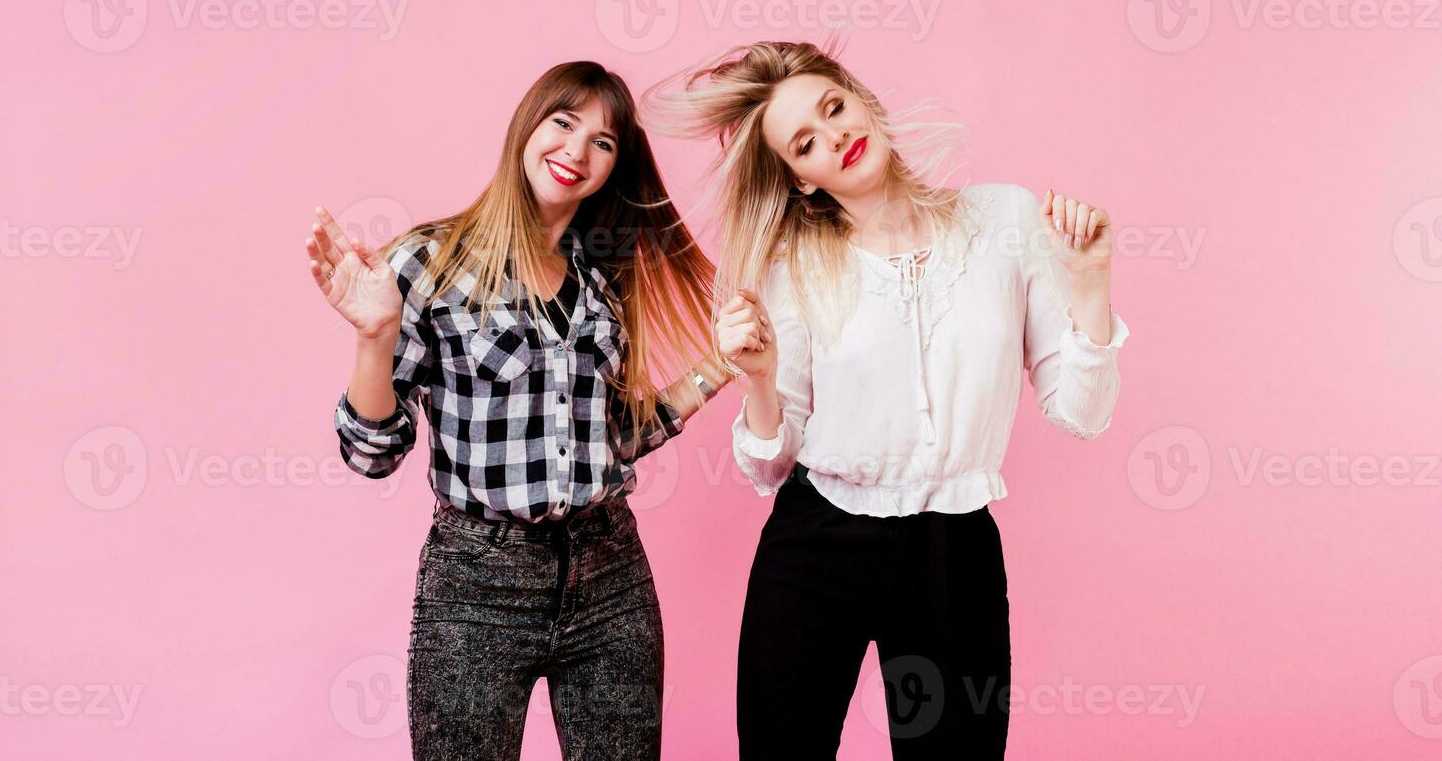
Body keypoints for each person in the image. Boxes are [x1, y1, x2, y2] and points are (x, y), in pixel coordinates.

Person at [645, 39, 1132, 759]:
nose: (834, 137)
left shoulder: (1004, 220)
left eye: (834, 108)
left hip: (953, 548)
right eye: (804, 143)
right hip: (817, 542)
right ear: (800, 180)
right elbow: (767, 467)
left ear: (863, 102)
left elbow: (1082, 412)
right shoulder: (792, 265)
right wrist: (757, 376)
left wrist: (1090, 283)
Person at [306, 61, 731, 761]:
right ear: (526, 127)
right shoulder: (428, 262)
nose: (577, 151)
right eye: (564, 123)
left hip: (610, 575)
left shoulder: (601, 278)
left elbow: (608, 440)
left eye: (603, 141)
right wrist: (374, 338)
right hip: (478, 584)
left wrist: (721, 365)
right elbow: (370, 452)